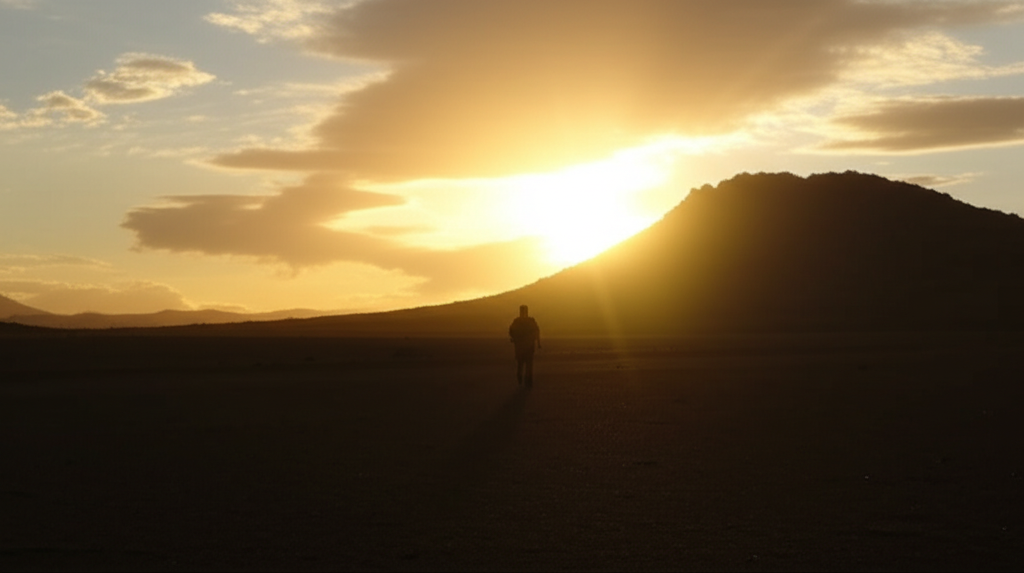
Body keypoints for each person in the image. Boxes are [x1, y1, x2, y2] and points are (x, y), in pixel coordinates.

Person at [508, 304, 541, 386]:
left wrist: (514, 338)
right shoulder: (529, 321)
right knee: (526, 364)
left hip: (522, 347)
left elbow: (511, 331)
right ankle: (527, 380)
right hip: (527, 346)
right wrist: (538, 343)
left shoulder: (517, 321)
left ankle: (523, 379)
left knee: (522, 364)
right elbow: (537, 332)